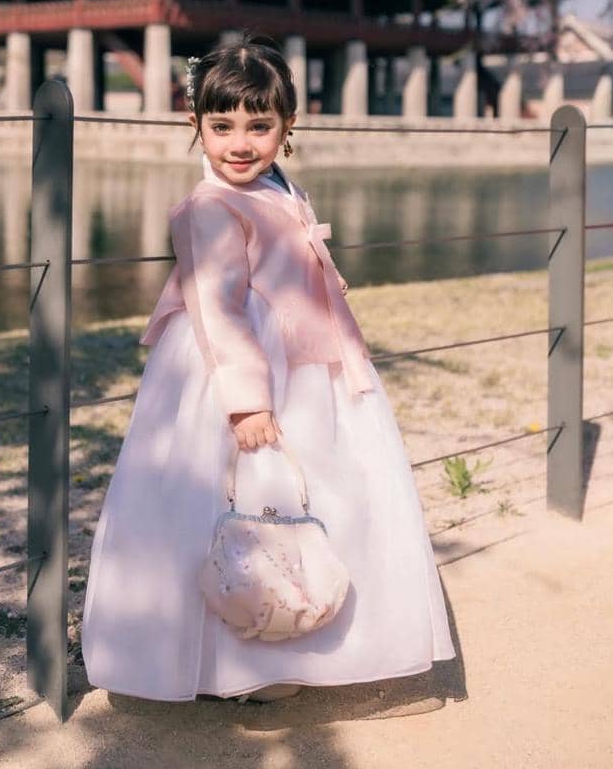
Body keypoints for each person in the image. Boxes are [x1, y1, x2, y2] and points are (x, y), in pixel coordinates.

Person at [81, 34, 456, 703]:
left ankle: (301, 635)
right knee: (234, 502)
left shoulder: (280, 185)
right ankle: (233, 658)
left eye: (260, 125)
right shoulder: (208, 206)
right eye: (221, 125)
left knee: (317, 493)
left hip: (306, 362)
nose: (239, 142)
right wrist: (245, 401)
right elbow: (217, 310)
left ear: (289, 127)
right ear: (192, 124)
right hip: (234, 371)